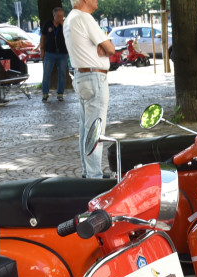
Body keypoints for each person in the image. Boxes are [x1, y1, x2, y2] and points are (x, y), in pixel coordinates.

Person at [63, 0, 115, 179]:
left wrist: (102, 46)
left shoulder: (70, 19)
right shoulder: (85, 18)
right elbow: (110, 48)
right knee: (95, 130)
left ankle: (88, 172)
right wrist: (103, 46)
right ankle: (94, 176)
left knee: (86, 129)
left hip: (81, 76)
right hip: (94, 77)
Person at [40, 7, 68, 102]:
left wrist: (63, 24)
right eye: (59, 16)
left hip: (62, 53)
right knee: (46, 73)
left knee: (62, 74)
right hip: (49, 53)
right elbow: (43, 37)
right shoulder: (48, 24)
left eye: (62, 16)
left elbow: (69, 34)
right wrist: (42, 49)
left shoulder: (65, 24)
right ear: (54, 15)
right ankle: (45, 93)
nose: (61, 17)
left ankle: (60, 93)